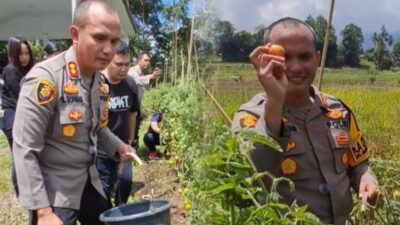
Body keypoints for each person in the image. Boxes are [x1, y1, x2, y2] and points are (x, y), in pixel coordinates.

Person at [231, 17, 378, 225]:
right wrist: (275, 100)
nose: (296, 67)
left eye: (304, 56)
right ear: (265, 58)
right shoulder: (250, 117)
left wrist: (367, 179)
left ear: (317, 58)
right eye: (285, 57)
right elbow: (252, 171)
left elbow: (359, 164)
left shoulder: (338, 111)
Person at [12, 1, 134, 225]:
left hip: (89, 181)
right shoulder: (47, 79)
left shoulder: (98, 80)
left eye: (114, 41)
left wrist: (118, 146)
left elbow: (99, 129)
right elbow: (24, 148)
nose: (108, 49)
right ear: (75, 34)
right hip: (54, 191)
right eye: (99, 38)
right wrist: (42, 212)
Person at [96, 41, 139, 207]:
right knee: (104, 187)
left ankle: (120, 211)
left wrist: (130, 140)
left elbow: (133, 113)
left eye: (127, 64)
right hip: (102, 149)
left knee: (126, 181)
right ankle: (106, 214)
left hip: (124, 147)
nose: (124, 69)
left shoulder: (130, 83)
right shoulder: (98, 83)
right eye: (119, 64)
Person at [0, 36, 35, 196]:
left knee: (25, 156)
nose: (24, 57)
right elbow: (22, 96)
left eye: (27, 53)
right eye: (20, 54)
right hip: (12, 118)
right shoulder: (11, 70)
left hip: (21, 115)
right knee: (18, 157)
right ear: (13, 54)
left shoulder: (27, 70)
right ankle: (21, 194)